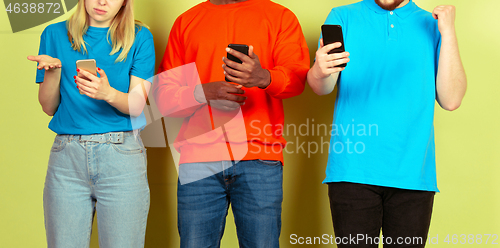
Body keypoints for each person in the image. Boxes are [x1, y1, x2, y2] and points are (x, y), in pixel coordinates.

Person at [307, 0, 466, 247]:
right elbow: (321, 88)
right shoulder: (342, 16)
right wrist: (319, 70)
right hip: (352, 172)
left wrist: (449, 31)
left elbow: (452, 99)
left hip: (412, 175)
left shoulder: (432, 23)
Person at [153, 0, 309, 247]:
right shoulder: (186, 22)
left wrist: (262, 76)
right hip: (198, 159)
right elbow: (163, 97)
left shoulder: (280, 17)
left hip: (260, 157)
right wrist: (202, 93)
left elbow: (298, 79)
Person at [27, 0, 155, 247]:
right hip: (67, 159)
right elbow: (48, 107)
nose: (102, 2)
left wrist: (107, 93)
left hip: (121, 158)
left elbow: (137, 106)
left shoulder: (140, 37)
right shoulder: (53, 34)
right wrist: (53, 72)